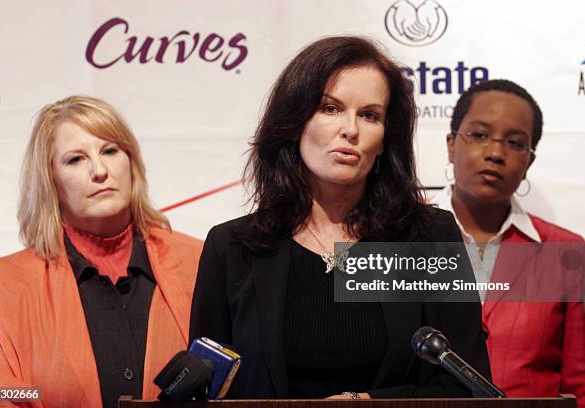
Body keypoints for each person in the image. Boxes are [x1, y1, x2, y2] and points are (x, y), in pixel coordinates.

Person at [189, 36, 490, 399]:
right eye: (330, 109)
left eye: (369, 115)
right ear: (295, 122)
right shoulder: (234, 247)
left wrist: (369, 403)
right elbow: (206, 393)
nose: (351, 129)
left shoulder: (429, 237)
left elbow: (468, 386)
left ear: (384, 141)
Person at [0, 96, 203, 407]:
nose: (99, 170)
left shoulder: (199, 262)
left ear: (132, 163)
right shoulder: (2, 285)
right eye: (75, 159)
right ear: (49, 180)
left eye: (110, 151)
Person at [431, 79, 585, 406]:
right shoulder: (397, 238)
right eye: (479, 134)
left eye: (515, 143)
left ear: (529, 161)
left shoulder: (567, 253)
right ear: (450, 144)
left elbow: (580, 384)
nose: (496, 153)